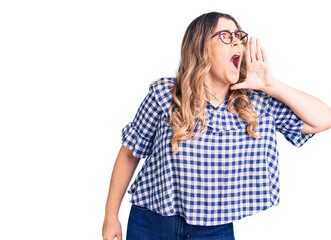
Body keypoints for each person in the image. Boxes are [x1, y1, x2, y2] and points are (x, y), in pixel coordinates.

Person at [102, 11, 331, 240]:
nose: (236, 41)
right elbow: (130, 153)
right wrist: (111, 216)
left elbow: (323, 120)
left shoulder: (254, 103)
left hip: (215, 230)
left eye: (237, 36)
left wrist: (270, 85)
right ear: (200, 47)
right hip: (151, 222)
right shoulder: (165, 95)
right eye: (224, 35)